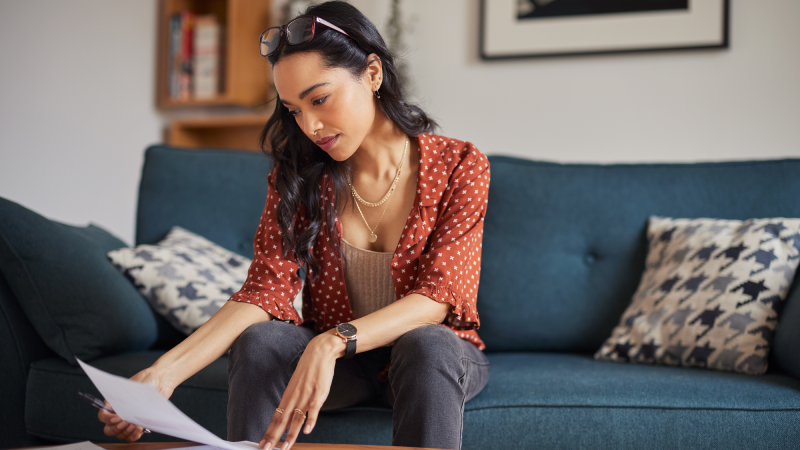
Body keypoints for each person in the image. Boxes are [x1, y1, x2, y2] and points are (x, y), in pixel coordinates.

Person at [96, 2, 491, 449]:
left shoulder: (460, 164)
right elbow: (263, 291)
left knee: (428, 344)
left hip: (430, 358)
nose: (310, 126)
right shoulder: (300, 175)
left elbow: (437, 299)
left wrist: (333, 341)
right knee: (261, 340)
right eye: (294, 110)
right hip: (345, 370)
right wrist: (162, 374)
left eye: (319, 99)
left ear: (373, 73)